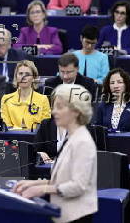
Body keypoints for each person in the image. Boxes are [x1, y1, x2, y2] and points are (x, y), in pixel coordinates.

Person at [13, 84, 97, 223]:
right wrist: (32, 184)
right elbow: (63, 181)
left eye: (60, 107)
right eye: (54, 106)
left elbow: (78, 186)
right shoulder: (72, 138)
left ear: (76, 111)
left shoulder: (82, 141)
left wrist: (42, 189)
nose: (54, 112)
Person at [0, 60, 51, 130]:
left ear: (33, 78)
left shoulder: (43, 100)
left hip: (36, 140)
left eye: (27, 74)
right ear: (16, 77)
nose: (23, 77)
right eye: (20, 74)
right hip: (12, 139)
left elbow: (45, 127)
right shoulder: (6, 99)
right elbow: (6, 126)